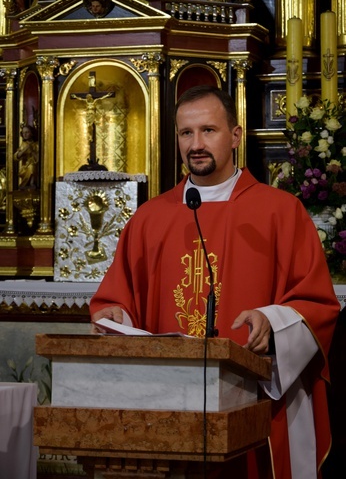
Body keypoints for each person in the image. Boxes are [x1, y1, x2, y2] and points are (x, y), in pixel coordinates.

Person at [90, 85, 340, 479]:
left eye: (209, 130)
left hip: (253, 400)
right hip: (168, 403)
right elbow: (116, 299)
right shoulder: (150, 218)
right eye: (186, 133)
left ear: (235, 136)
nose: (196, 144)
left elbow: (317, 304)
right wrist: (114, 314)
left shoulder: (280, 211)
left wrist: (273, 324)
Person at [13, 124, 39, 189]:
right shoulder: (23, 144)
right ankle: (24, 184)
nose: (25, 134)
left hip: (34, 165)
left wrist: (32, 151)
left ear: (32, 133)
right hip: (25, 167)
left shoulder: (36, 144)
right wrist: (25, 149)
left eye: (27, 132)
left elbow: (38, 158)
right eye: (23, 133)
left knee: (32, 167)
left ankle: (32, 183)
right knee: (28, 168)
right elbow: (16, 156)